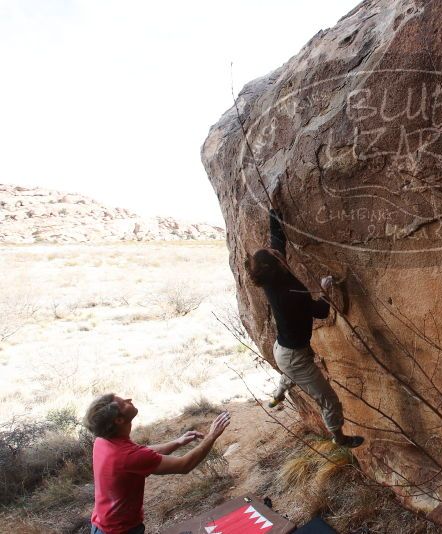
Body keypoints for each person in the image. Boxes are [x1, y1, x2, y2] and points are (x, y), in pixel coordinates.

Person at [245, 208, 364, 448]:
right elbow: (320, 311)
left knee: (290, 372)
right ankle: (339, 438)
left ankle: (278, 395)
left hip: (284, 349)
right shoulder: (288, 295)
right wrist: (325, 289)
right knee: (328, 399)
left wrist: (274, 213)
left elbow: (277, 241)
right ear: (274, 266)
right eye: (275, 256)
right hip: (293, 356)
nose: (279, 254)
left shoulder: (270, 276)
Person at [82, 394, 230, 534]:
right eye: (123, 403)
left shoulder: (103, 440)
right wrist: (211, 436)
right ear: (119, 420)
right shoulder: (127, 456)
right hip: (120, 530)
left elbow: (142, 452)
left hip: (102, 525)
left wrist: (176, 442)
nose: (129, 399)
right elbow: (184, 465)